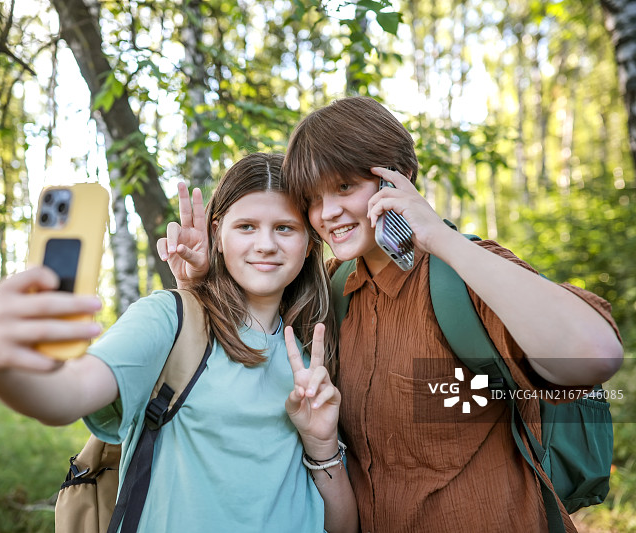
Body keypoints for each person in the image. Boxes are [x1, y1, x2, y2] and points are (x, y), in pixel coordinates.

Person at [158, 97, 624, 533]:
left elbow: (593, 356)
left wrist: (437, 236)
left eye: (345, 186)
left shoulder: (463, 274)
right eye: (314, 199)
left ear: (396, 177)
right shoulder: (335, 289)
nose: (328, 213)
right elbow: (242, 353)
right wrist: (196, 281)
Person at [0, 152, 359, 533]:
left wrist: (321, 444)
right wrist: (0, 366)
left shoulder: (313, 349)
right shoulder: (170, 318)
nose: (266, 244)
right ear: (217, 234)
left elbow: (342, 527)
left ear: (309, 244)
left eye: (284, 228)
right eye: (247, 226)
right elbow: (67, 392)